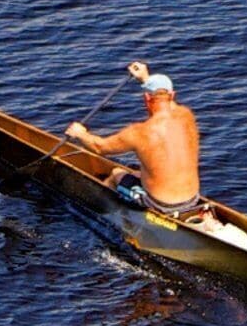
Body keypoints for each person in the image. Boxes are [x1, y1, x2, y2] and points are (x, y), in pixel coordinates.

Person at [65, 62, 205, 217]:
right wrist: (145, 79)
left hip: (162, 206)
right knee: (139, 172)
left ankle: (102, 214)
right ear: (172, 95)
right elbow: (168, 102)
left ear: (146, 97)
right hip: (193, 199)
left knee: (116, 173)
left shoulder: (139, 132)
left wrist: (80, 133)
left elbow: (99, 147)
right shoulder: (187, 116)